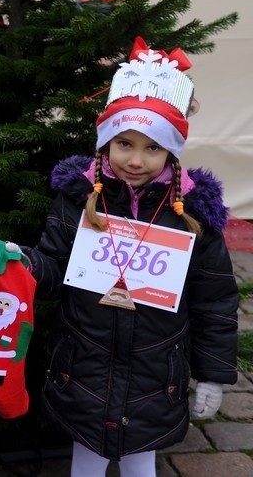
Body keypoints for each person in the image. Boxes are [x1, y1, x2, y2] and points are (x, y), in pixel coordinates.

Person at [15, 38, 239, 476]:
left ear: (171, 149)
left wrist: (213, 373)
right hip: (84, 358)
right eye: (125, 144)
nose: (136, 160)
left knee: (142, 458)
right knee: (87, 457)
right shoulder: (79, 197)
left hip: (157, 367)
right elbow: (53, 265)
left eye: (152, 148)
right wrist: (22, 263)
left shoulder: (193, 213)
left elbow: (214, 298)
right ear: (105, 141)